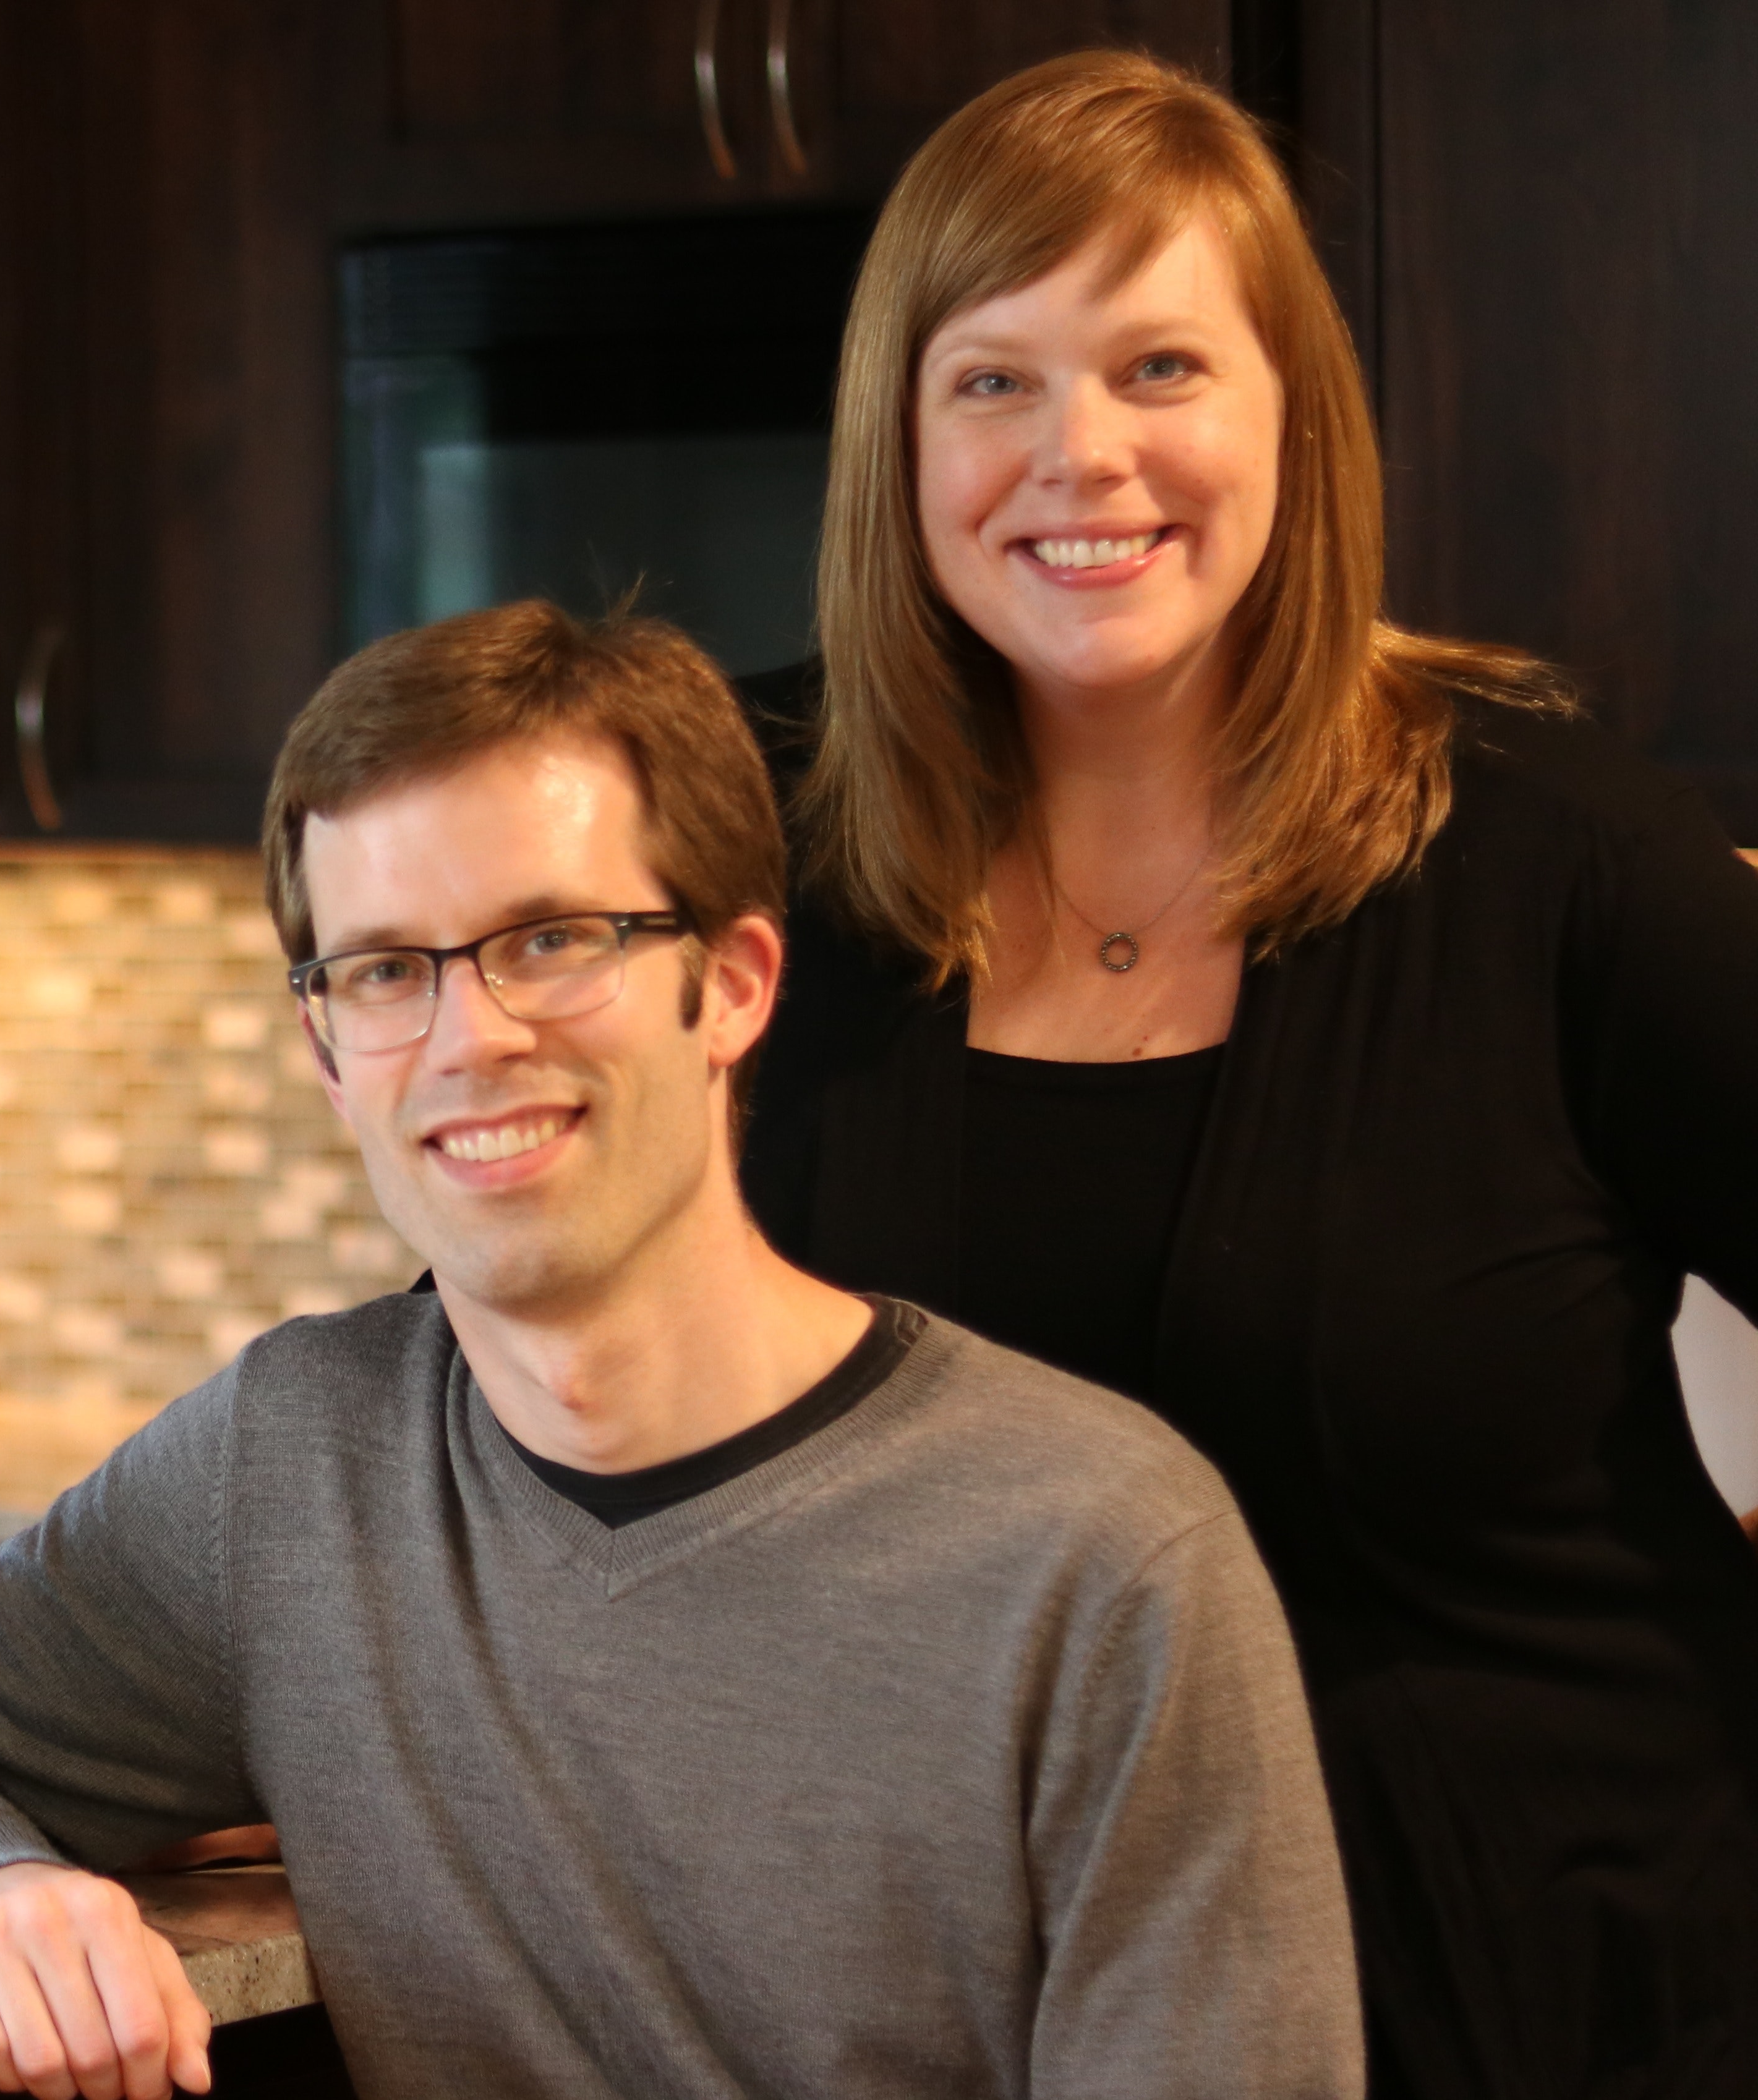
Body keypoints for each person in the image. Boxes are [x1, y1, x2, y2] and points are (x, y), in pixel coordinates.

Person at [0, 601, 1360, 2100]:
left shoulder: (1102, 1560)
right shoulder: (292, 1468)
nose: (472, 1035)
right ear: (328, 1054)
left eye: (551, 938)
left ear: (732, 985)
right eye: (387, 969)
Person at [736, 51, 1758, 2100]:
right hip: (988, 2028)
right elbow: (512, 1358)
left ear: (1294, 411)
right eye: (993, 379)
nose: (1080, 453)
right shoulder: (749, 856)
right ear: (897, 441)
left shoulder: (1563, 865)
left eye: (1160, 367)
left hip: (1558, 2012)